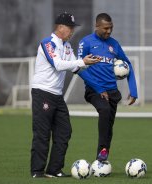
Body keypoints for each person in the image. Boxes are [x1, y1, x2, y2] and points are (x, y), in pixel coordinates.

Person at [30, 12, 101, 178]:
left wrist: (97, 83)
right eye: (70, 27)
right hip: (43, 92)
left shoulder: (67, 46)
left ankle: (54, 169)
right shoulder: (48, 43)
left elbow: (75, 68)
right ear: (60, 27)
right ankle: (37, 171)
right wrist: (82, 62)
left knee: (64, 131)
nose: (72, 31)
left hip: (56, 95)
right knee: (43, 132)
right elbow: (58, 65)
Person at [77, 13, 138, 162]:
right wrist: (98, 88)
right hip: (94, 90)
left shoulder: (114, 44)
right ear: (97, 26)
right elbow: (78, 68)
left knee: (109, 126)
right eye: (105, 28)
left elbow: (127, 64)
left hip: (112, 91)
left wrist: (133, 90)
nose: (109, 31)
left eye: (111, 28)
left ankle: (101, 160)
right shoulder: (86, 43)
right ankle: (102, 152)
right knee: (104, 110)